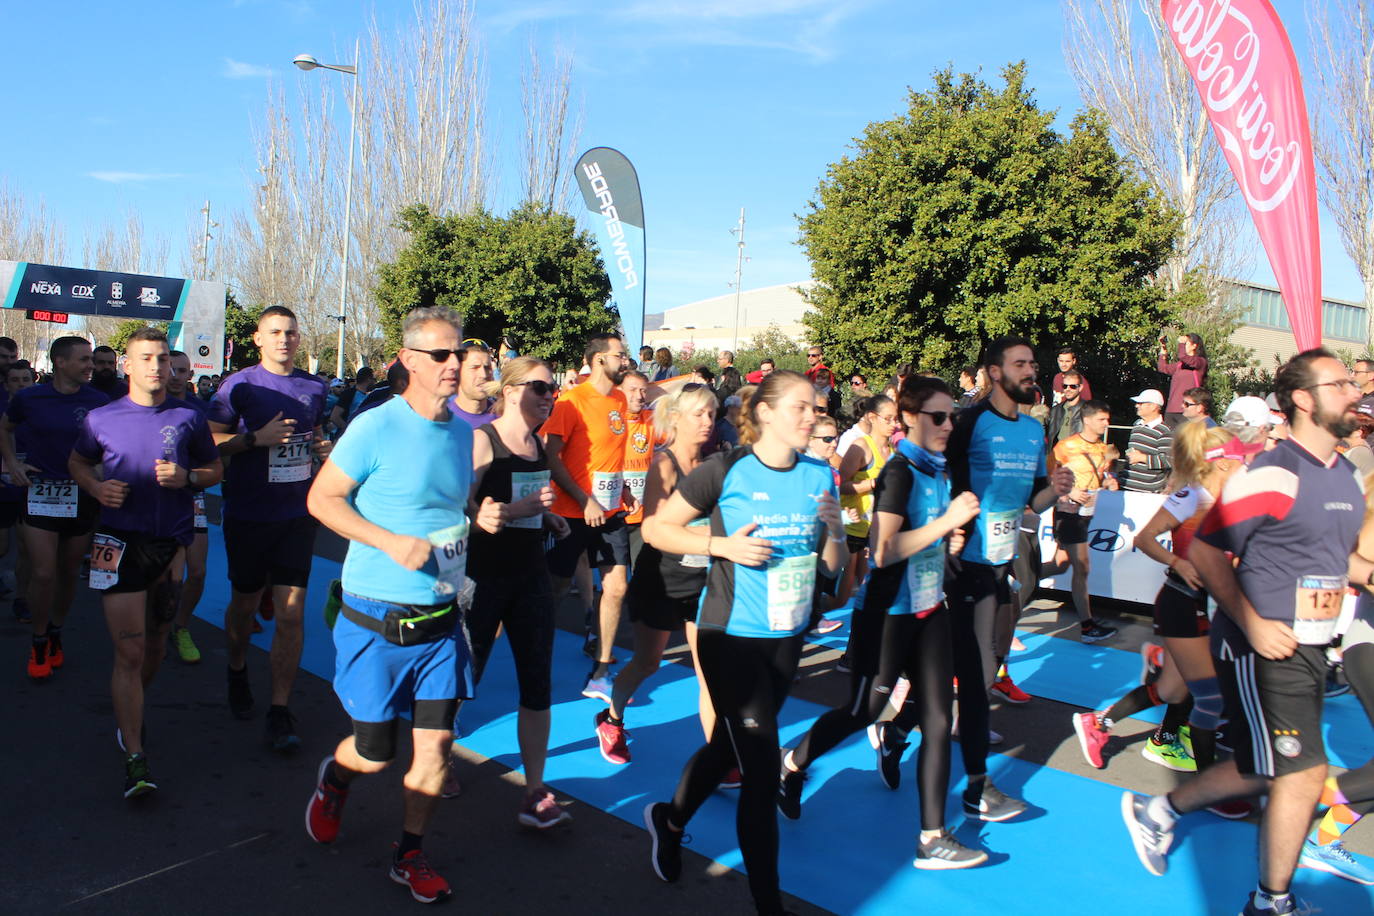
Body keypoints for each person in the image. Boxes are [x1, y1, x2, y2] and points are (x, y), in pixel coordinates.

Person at [1122, 348, 1368, 916]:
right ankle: (1268, 901)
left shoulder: (1348, 477)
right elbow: (1207, 551)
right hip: (1257, 642)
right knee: (1301, 772)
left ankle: (1158, 812)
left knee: (1270, 770)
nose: (1354, 392)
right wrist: (1253, 622)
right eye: (1340, 384)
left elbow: (1334, 560)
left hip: (1309, 643)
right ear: (1303, 400)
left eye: (1352, 383)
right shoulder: (1271, 473)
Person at [304, 306, 504, 904]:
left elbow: (444, 508)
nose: (455, 364)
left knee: (436, 748)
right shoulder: (375, 426)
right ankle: (335, 778)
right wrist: (390, 541)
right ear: (410, 360)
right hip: (376, 617)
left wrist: (477, 517)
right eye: (441, 354)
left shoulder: (464, 434)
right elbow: (323, 499)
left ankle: (409, 853)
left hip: (442, 617)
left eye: (459, 352)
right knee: (374, 753)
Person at [641, 370, 845, 916]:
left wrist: (840, 535)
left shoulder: (821, 476)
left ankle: (670, 818)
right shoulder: (725, 470)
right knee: (758, 769)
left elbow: (833, 569)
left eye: (816, 409)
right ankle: (767, 904)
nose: (813, 418)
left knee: (728, 748)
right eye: (802, 407)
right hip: (728, 635)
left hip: (787, 636)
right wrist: (721, 547)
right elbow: (658, 530)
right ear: (766, 414)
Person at [778, 377, 989, 869]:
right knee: (862, 711)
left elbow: (929, 536)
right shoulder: (900, 471)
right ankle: (792, 763)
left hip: (929, 606)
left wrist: (950, 542)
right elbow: (884, 549)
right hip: (887, 613)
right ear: (910, 418)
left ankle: (932, 837)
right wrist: (943, 525)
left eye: (951, 416)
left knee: (940, 719)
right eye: (938, 417)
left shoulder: (939, 470)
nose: (947, 425)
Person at [69, 328, 223, 798]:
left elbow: (215, 470)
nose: (156, 367)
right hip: (116, 542)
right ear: (127, 367)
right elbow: (78, 463)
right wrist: (96, 488)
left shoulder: (189, 418)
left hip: (168, 545)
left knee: (154, 646)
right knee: (129, 652)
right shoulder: (101, 418)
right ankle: (135, 753)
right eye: (146, 359)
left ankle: (132, 708)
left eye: (162, 359)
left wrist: (187, 477)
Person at [940, 336, 1074, 821]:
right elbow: (941, 479)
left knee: (977, 669)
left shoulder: (1033, 433)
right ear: (994, 373)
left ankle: (899, 727)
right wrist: (946, 536)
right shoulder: (971, 423)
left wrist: (1053, 492)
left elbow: (1031, 501)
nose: (1030, 371)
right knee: (975, 676)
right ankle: (977, 787)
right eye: (1020, 364)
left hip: (999, 563)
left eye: (1033, 363)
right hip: (961, 564)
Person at [1073, 422, 1251, 783]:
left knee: (1172, 690)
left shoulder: (1234, 502)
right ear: (1222, 463)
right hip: (1182, 604)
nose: (1247, 467)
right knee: (1211, 698)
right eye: (1241, 460)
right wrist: (1179, 562)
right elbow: (1145, 538)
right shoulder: (1191, 496)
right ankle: (1213, 788)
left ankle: (1099, 723)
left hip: (1209, 606)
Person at [208, 305, 330, 750]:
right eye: (275, 332)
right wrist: (253, 440)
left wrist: (320, 446)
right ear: (258, 339)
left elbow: (314, 433)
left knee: (292, 612)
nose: (285, 339)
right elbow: (210, 441)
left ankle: (280, 710)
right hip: (248, 514)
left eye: (291, 332)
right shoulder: (239, 385)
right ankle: (237, 668)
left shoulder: (315, 386)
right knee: (243, 606)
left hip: (296, 515)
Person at [465, 356, 573, 828]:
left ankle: (535, 790)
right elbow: (461, 507)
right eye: (540, 388)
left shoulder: (540, 447)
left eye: (552, 390)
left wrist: (545, 517)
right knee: (462, 678)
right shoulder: (482, 441)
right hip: (480, 576)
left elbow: (528, 506)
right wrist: (506, 512)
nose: (549, 397)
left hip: (530, 575)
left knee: (537, 682)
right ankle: (436, 756)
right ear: (510, 391)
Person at [595, 384, 719, 766]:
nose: (707, 422)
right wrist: (713, 535)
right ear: (678, 418)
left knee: (710, 674)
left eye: (712, 414)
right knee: (648, 661)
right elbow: (655, 528)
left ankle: (717, 759)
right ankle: (612, 718)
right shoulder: (663, 464)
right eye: (699, 414)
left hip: (704, 580)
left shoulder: (714, 465)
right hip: (662, 577)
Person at [0, 336, 109, 679]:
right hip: (41, 493)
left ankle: (57, 631)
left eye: (92, 360)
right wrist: (12, 465)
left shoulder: (99, 401)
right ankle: (38, 638)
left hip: (82, 496)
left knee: (66, 572)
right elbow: (4, 428)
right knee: (43, 573)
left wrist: (103, 473)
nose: (90, 366)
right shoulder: (31, 398)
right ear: (60, 362)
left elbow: (109, 445)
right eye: (84, 360)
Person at [543, 334, 635, 697]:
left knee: (617, 587)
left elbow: (612, 452)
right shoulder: (571, 402)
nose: (625, 361)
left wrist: (623, 486)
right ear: (598, 360)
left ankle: (602, 669)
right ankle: (537, 650)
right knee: (557, 586)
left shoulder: (621, 398)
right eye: (619, 355)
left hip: (611, 510)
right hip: (573, 511)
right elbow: (552, 458)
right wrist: (584, 500)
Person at [1045, 400, 1119, 642]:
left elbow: (1100, 477)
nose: (1106, 423)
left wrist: (1108, 482)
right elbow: (1047, 476)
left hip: (1086, 514)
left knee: (1062, 564)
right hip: (1067, 513)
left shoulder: (1102, 449)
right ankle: (1087, 626)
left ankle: (1018, 579)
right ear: (1086, 420)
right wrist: (1069, 493)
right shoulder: (1066, 446)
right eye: (1101, 419)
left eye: (1107, 419)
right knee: (1082, 567)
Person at [165, 350, 213, 664]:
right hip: (153, 501)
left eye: (182, 370)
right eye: (170, 369)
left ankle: (180, 627)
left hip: (191, 497)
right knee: (169, 578)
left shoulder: (200, 410)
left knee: (196, 574)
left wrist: (194, 476)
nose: (175, 375)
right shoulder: (149, 406)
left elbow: (215, 458)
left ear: (190, 374)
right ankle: (151, 624)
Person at [837, 396, 898, 609]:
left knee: (872, 590)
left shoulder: (893, 451)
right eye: (888, 419)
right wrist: (871, 484)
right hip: (854, 526)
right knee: (843, 596)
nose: (894, 425)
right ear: (872, 417)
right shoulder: (860, 447)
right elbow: (840, 485)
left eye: (896, 419)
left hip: (878, 529)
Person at [1123, 388, 1172, 494]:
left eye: (1141, 403)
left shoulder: (1164, 431)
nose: (1137, 406)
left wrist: (1142, 458)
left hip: (1148, 492)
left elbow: (1168, 461)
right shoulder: (1136, 425)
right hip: (1126, 486)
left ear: (1154, 406)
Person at [1157, 332, 1209, 425]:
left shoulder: (1200, 362)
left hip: (1189, 409)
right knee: (1169, 438)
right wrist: (1163, 351)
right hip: (1171, 410)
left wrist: (1181, 343)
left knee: (1185, 438)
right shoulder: (1179, 365)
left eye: (1186, 343)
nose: (1183, 345)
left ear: (1194, 346)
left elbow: (1183, 356)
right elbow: (1163, 368)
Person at [450, 343, 497, 428]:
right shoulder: (442, 419)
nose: (483, 375)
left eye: (487, 368)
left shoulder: (503, 417)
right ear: (458, 373)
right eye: (475, 367)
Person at [1045, 370, 1086, 448]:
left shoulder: (1088, 410)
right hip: (1056, 456)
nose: (1068, 389)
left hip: (1077, 456)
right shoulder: (1055, 411)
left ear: (1080, 388)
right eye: (1065, 386)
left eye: (1073, 386)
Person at [329, 367, 375, 434]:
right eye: (374, 379)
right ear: (368, 379)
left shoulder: (369, 396)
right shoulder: (349, 394)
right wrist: (349, 431)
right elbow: (335, 416)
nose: (374, 382)